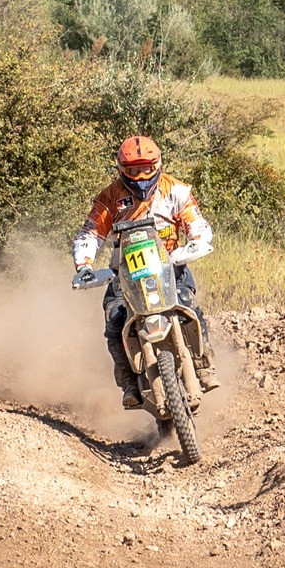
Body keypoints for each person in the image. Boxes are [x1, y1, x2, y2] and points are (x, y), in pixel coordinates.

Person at [73, 135, 221, 408]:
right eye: (133, 171)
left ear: (158, 165)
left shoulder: (176, 190)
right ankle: (129, 383)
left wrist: (197, 241)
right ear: (121, 169)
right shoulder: (109, 198)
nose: (141, 177)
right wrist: (84, 266)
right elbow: (90, 234)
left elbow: (197, 223)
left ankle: (203, 365)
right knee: (115, 320)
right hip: (125, 274)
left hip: (170, 266)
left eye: (146, 169)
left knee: (188, 305)